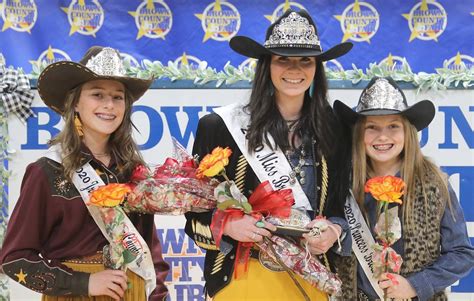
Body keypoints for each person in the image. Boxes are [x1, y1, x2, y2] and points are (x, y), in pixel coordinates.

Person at [185, 9, 354, 300]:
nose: (294, 69)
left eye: (305, 60)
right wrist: (229, 225)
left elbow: (341, 210)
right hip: (240, 278)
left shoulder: (336, 129)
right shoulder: (220, 126)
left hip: (309, 278)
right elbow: (194, 215)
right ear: (267, 64)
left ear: (317, 67)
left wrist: (334, 232)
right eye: (282, 59)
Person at [0, 46, 169, 301]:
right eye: (97, 94)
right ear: (75, 102)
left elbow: (150, 252)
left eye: (117, 97)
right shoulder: (46, 171)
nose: (109, 106)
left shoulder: (133, 172)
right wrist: (84, 282)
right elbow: (14, 259)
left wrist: (158, 296)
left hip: (132, 292)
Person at [333, 76, 474, 300]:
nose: (382, 136)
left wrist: (416, 285)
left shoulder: (434, 184)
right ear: (359, 133)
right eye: (372, 127)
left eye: (393, 126)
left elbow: (461, 254)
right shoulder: (343, 184)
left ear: (408, 132)